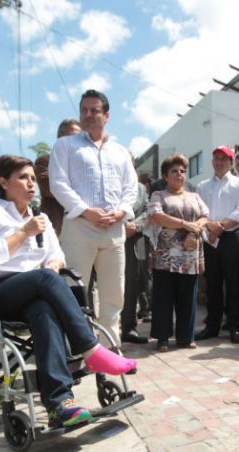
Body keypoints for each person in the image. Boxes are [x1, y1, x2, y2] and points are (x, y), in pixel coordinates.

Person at [0, 155, 137, 428]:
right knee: (46, 279)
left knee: (44, 311)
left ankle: (60, 405)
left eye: (33, 178)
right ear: (3, 182)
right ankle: (90, 349)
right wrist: (24, 233)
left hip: (33, 293)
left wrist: (54, 261)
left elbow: (56, 254)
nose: (31, 183)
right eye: (23, 177)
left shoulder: (40, 217)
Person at [49, 90, 138, 342]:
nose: (88, 115)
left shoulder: (120, 151)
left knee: (113, 294)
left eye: (94, 110)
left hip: (114, 230)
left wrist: (120, 212)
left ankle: (110, 348)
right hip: (79, 227)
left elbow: (130, 188)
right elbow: (58, 184)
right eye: (84, 110)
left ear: (106, 115)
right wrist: (87, 211)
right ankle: (73, 348)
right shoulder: (65, 145)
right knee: (73, 290)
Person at [146, 154, 210, 351]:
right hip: (166, 257)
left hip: (190, 255)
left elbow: (205, 216)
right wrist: (185, 224)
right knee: (164, 297)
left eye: (182, 171)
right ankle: (163, 338)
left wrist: (195, 228)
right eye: (174, 171)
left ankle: (186, 337)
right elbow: (156, 216)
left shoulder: (194, 196)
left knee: (188, 297)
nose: (179, 174)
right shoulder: (158, 195)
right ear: (165, 176)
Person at [195, 145, 239, 344]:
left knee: (234, 284)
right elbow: (199, 212)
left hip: (232, 238)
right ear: (212, 162)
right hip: (209, 239)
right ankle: (212, 326)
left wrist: (220, 227)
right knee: (213, 285)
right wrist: (210, 229)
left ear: (231, 162)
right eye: (216, 158)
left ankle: (234, 326)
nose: (219, 162)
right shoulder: (202, 186)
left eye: (223, 158)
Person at [33, 119, 81, 236]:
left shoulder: (85, 164)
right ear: (60, 137)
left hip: (84, 233)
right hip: (57, 232)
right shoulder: (44, 162)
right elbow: (52, 189)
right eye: (73, 136)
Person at [120, 180, 151, 344]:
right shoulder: (110, 182)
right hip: (112, 237)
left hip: (135, 242)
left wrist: (135, 226)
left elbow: (147, 211)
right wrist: (122, 226)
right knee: (110, 286)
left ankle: (129, 328)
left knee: (132, 285)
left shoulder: (141, 188)